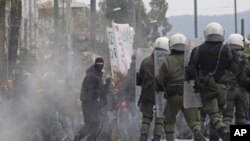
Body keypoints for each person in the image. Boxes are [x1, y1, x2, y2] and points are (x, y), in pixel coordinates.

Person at [186, 22, 250, 141]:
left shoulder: (197, 50)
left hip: (205, 90)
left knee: (208, 116)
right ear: (222, 34)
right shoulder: (228, 51)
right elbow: (239, 74)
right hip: (222, 91)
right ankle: (219, 136)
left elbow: (190, 71)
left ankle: (217, 132)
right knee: (220, 115)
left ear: (206, 34)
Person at [157, 33, 206, 141]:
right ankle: (197, 133)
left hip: (173, 95)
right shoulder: (191, 58)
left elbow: (160, 79)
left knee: (169, 120)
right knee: (194, 121)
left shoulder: (167, 60)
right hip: (189, 94)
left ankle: (170, 138)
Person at [137, 36, 169, 141]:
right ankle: (156, 137)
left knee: (146, 117)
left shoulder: (146, 61)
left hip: (147, 93)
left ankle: (143, 136)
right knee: (160, 117)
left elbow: (140, 77)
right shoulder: (167, 62)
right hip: (162, 93)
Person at [74, 57, 109, 141]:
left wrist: (107, 84)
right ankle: (78, 137)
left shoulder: (97, 75)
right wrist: (96, 98)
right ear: (95, 64)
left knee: (96, 123)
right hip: (89, 104)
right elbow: (89, 92)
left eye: (102, 64)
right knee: (92, 123)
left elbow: (99, 89)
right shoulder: (91, 76)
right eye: (99, 64)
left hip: (93, 104)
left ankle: (84, 138)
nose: (100, 65)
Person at [222, 34, 250, 127]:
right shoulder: (247, 57)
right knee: (241, 119)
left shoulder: (224, 56)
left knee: (227, 117)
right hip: (243, 91)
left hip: (228, 89)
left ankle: (227, 136)